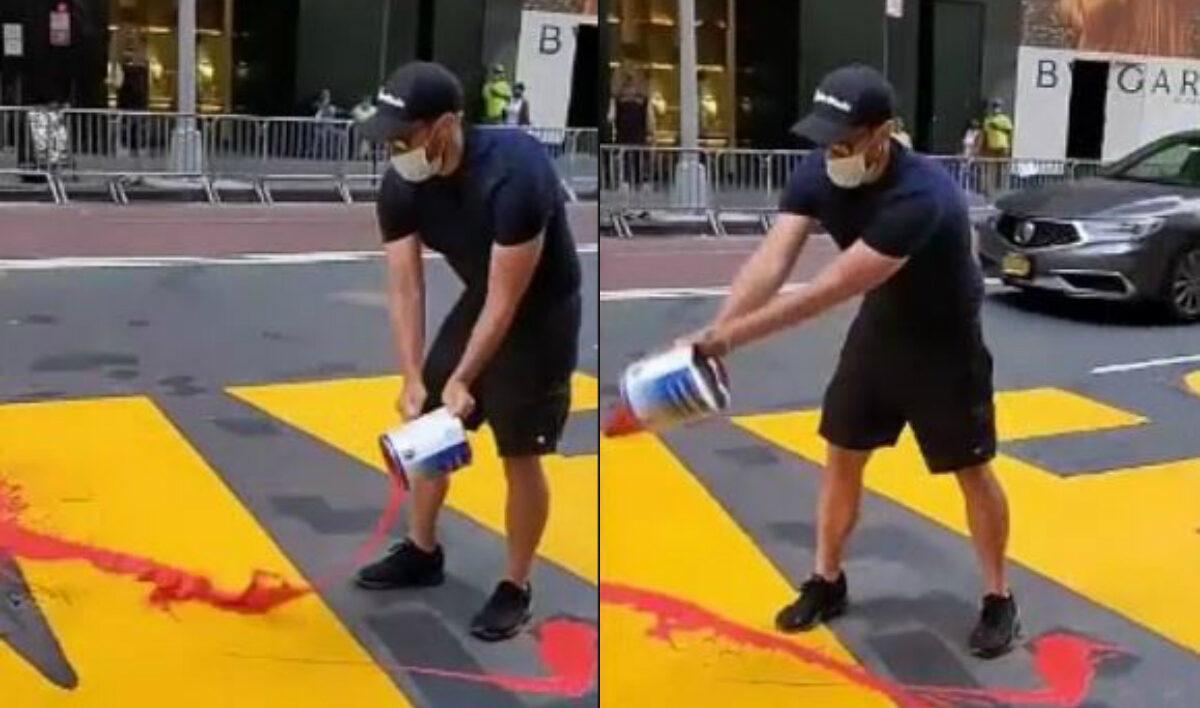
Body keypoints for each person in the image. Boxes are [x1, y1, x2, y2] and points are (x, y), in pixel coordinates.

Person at [677, 65, 1018, 658]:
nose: (832, 151)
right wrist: (719, 326)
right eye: (824, 137)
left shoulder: (922, 196)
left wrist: (729, 343)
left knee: (972, 470)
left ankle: (998, 597)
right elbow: (771, 262)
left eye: (846, 139)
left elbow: (826, 290)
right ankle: (826, 580)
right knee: (841, 455)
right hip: (882, 328)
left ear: (882, 133)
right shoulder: (818, 172)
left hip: (945, 342)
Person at [354, 62, 582, 642]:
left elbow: (509, 301)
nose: (395, 151)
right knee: (431, 420)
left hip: (542, 310)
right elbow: (406, 285)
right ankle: (422, 550)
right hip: (485, 296)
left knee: (518, 451)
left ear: (446, 127)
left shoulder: (517, 173)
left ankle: (516, 584)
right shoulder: (401, 185)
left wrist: (466, 378)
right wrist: (414, 376)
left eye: (404, 137)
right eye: (388, 139)